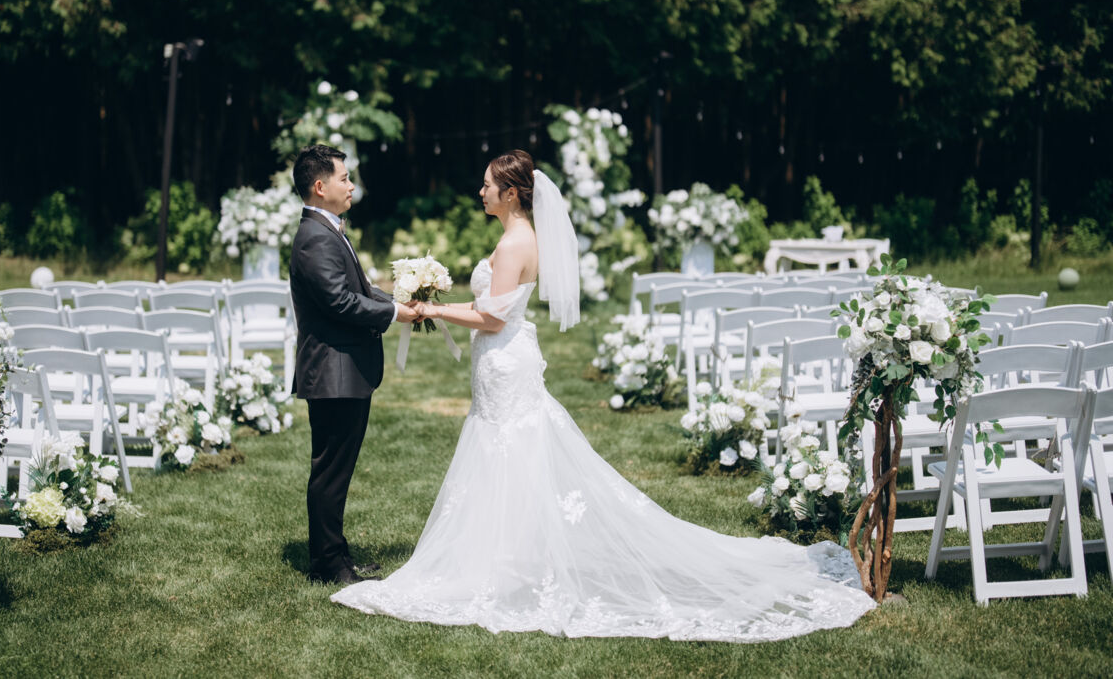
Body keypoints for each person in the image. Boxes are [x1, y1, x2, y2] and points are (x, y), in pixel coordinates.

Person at [331, 149, 876, 641]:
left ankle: (503, 562)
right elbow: (493, 309)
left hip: (504, 359)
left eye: (488, 185)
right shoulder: (519, 238)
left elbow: (492, 319)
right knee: (510, 452)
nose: (481, 192)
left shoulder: (514, 243)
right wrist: (435, 307)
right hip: (504, 360)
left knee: (507, 449)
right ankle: (508, 556)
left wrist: (431, 309)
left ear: (511, 193)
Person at [289, 144, 421, 585]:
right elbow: (340, 302)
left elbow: (359, 288)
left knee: (337, 472)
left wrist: (398, 300)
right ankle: (328, 566)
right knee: (330, 473)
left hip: (343, 371)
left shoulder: (328, 229)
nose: (351, 186)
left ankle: (336, 555)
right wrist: (394, 313)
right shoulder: (314, 237)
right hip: (333, 372)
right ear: (320, 186)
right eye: (344, 179)